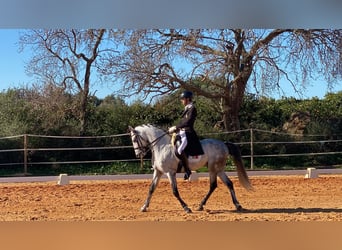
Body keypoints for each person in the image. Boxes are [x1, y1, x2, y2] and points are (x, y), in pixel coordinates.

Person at [168, 90, 203, 180]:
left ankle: (187, 170)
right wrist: (175, 129)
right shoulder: (187, 109)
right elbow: (183, 122)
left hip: (188, 133)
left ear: (187, 99)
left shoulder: (192, 109)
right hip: (182, 132)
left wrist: (176, 127)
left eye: (183, 99)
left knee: (179, 150)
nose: (181, 101)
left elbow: (188, 122)